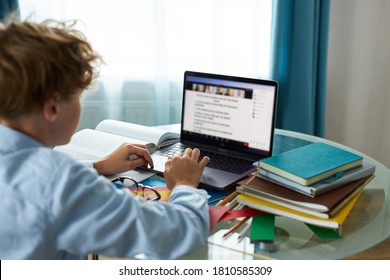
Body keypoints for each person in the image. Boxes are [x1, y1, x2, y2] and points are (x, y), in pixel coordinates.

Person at [0, 19, 210, 260]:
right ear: (52, 107)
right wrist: (184, 185)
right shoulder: (61, 183)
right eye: (78, 97)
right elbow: (176, 234)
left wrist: (98, 166)